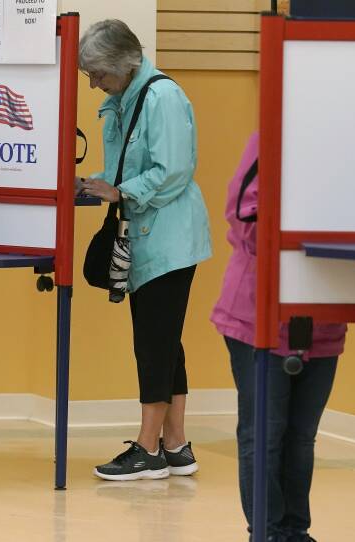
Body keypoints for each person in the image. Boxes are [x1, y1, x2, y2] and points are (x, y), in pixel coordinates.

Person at [77, 19, 212, 481]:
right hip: (150, 234)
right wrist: (97, 184)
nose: (94, 84)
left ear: (124, 63)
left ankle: (147, 449)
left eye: (97, 73)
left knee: (153, 342)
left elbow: (173, 170)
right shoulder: (123, 102)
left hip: (168, 238)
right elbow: (129, 167)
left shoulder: (161, 97)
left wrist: (119, 192)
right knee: (166, 342)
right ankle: (176, 446)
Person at [211, 132, 348, 542]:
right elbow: (243, 218)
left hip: (323, 316)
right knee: (264, 434)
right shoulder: (273, 136)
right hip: (257, 315)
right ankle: (266, 532)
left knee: (301, 436)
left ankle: (295, 531)